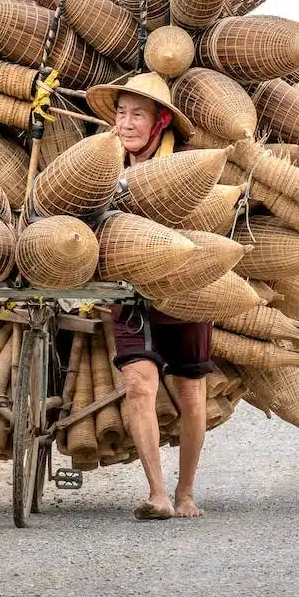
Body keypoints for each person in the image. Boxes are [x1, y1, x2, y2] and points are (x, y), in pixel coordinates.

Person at [86, 71, 210, 521]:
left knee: (192, 396)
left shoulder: (188, 160)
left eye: (138, 114)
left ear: (160, 122)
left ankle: (186, 492)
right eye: (121, 113)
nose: (127, 122)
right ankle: (157, 493)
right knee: (138, 385)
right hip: (130, 295)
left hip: (185, 292)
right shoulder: (103, 161)